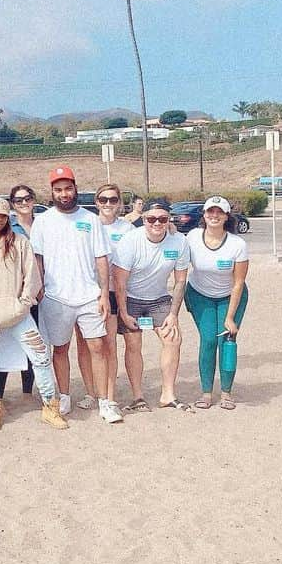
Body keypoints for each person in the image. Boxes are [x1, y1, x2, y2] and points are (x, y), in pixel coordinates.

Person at [32, 167, 122, 423]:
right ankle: (64, 396)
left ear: (75, 188)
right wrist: (40, 290)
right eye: (58, 189)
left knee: (98, 346)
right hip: (56, 298)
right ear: (52, 192)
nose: (64, 194)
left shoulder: (90, 219)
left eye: (68, 188)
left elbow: (101, 259)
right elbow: (38, 259)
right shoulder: (44, 221)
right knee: (60, 349)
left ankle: (105, 402)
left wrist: (104, 294)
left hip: (89, 296)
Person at [0, 198, 67, 430]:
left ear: (8, 218)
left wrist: (23, 305)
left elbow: (32, 277)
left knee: (41, 356)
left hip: (18, 313)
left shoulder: (20, 243)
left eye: (3, 216)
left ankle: (49, 406)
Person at [112, 199, 192, 411]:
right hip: (131, 298)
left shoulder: (179, 242)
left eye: (162, 219)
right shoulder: (130, 241)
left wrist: (173, 314)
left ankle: (168, 394)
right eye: (151, 219)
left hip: (159, 298)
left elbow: (180, 281)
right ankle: (138, 396)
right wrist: (124, 312)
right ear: (144, 219)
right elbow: (119, 282)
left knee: (173, 339)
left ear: (169, 220)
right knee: (133, 344)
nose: (157, 223)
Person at [184, 196, 249, 410]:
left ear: (226, 216)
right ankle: (206, 392)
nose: (214, 216)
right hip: (200, 294)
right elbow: (170, 239)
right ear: (203, 215)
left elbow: (238, 283)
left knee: (226, 340)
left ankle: (227, 392)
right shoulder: (193, 236)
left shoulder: (237, 244)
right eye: (210, 212)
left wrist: (230, 317)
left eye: (219, 212)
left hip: (230, 296)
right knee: (208, 340)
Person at [75, 183, 134, 411]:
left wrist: (170, 228)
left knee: (108, 345)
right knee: (85, 346)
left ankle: (108, 396)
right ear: (96, 202)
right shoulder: (87, 224)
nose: (108, 204)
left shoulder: (127, 229)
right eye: (103, 199)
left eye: (113, 199)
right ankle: (91, 392)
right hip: (87, 290)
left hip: (112, 291)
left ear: (119, 202)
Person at [0, 182, 40, 401]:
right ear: (12, 204)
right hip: (14, 292)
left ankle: (27, 391)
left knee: (34, 340)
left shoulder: (43, 224)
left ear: (33, 199)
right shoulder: (8, 228)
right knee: (5, 343)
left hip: (40, 292)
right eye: (18, 200)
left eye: (27, 198)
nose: (23, 203)